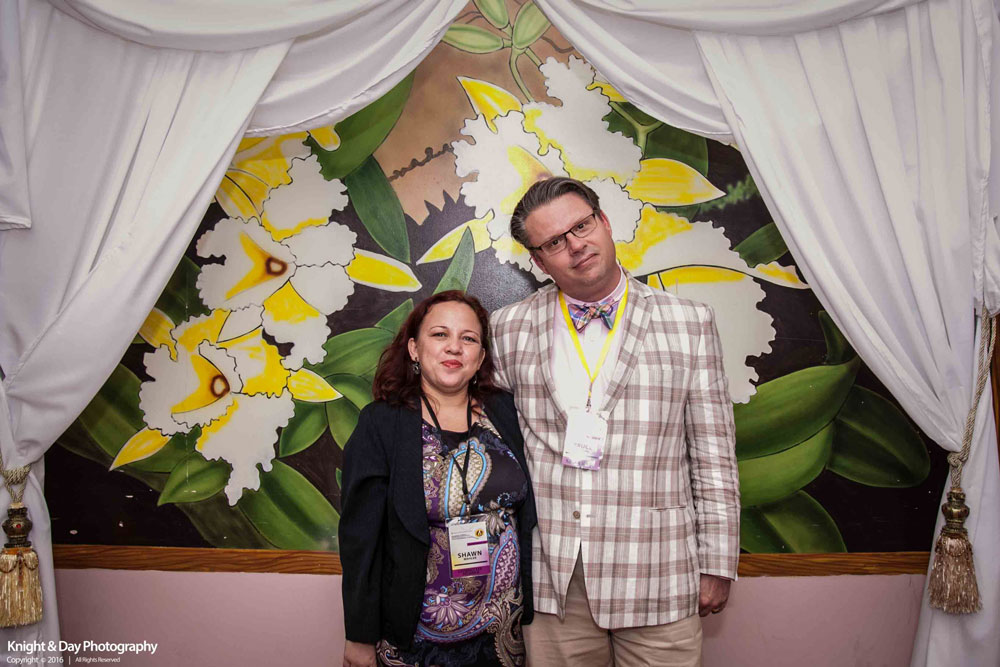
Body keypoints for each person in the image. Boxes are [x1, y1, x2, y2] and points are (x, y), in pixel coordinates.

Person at [490, 177, 740, 666]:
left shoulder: (689, 323)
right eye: (554, 242)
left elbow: (713, 454)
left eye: (581, 226)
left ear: (604, 222)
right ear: (538, 261)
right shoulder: (506, 328)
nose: (575, 245)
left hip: (659, 573)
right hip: (554, 582)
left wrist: (718, 562)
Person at [340, 290, 537, 667]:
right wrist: (359, 636)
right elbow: (360, 539)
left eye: (468, 338)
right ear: (414, 349)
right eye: (440, 334)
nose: (454, 347)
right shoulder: (381, 423)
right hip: (416, 638)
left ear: (480, 357)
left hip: (503, 635)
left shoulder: (505, 412)